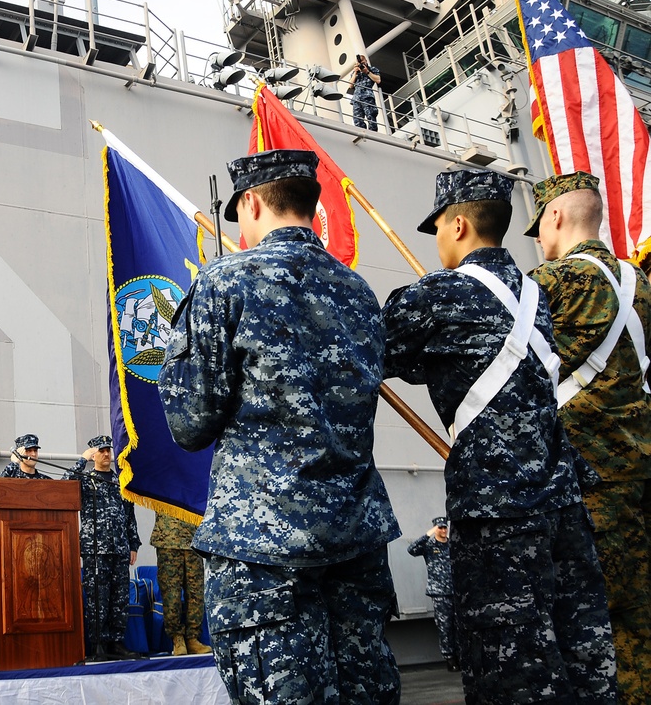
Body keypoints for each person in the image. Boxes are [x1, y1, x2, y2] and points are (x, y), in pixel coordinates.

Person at [158, 149, 402, 704]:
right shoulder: (358, 291)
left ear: (250, 202)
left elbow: (189, 422)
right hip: (356, 536)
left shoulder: (225, 283)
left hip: (264, 548)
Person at [382, 168, 617, 703]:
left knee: (509, 670)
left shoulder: (434, 296)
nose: (437, 238)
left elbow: (370, 353)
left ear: (459, 225)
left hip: (498, 514)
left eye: (438, 227)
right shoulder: (537, 294)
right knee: (585, 655)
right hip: (564, 505)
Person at [526, 171, 651, 704]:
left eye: (540, 226)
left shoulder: (552, 283)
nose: (538, 237)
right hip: (640, 475)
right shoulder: (640, 284)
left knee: (583, 619)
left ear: (554, 216)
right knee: (639, 617)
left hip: (587, 485)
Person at [63, 435, 141, 659]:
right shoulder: (86, 479)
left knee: (120, 598)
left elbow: (129, 515)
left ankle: (116, 643)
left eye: (109, 450)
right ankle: (98, 644)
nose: (106, 454)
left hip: (119, 547)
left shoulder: (120, 481)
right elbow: (63, 485)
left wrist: (133, 543)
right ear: (93, 454)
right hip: (95, 548)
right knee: (98, 597)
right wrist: (81, 460)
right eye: (102, 450)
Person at [149, 511, 211, 656]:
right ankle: (177, 639)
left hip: (193, 540)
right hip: (168, 538)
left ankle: (192, 638)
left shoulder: (195, 488)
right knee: (171, 594)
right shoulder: (164, 487)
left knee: (196, 593)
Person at [407, 516, 458, 672]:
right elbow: (411, 550)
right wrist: (428, 534)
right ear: (436, 528)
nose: (443, 530)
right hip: (439, 593)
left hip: (456, 592)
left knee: (459, 626)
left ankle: (462, 656)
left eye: (444, 527)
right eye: (440, 528)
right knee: (445, 626)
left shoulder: (452, 544)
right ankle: (450, 658)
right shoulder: (429, 546)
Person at [348, 53, 381, 132]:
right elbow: (350, 85)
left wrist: (367, 72)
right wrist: (355, 72)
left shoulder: (372, 69)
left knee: (371, 117)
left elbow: (378, 80)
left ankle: (373, 134)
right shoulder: (356, 72)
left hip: (367, 96)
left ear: (366, 61)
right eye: (360, 63)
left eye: (363, 62)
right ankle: (362, 134)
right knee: (357, 120)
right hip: (357, 98)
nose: (362, 64)